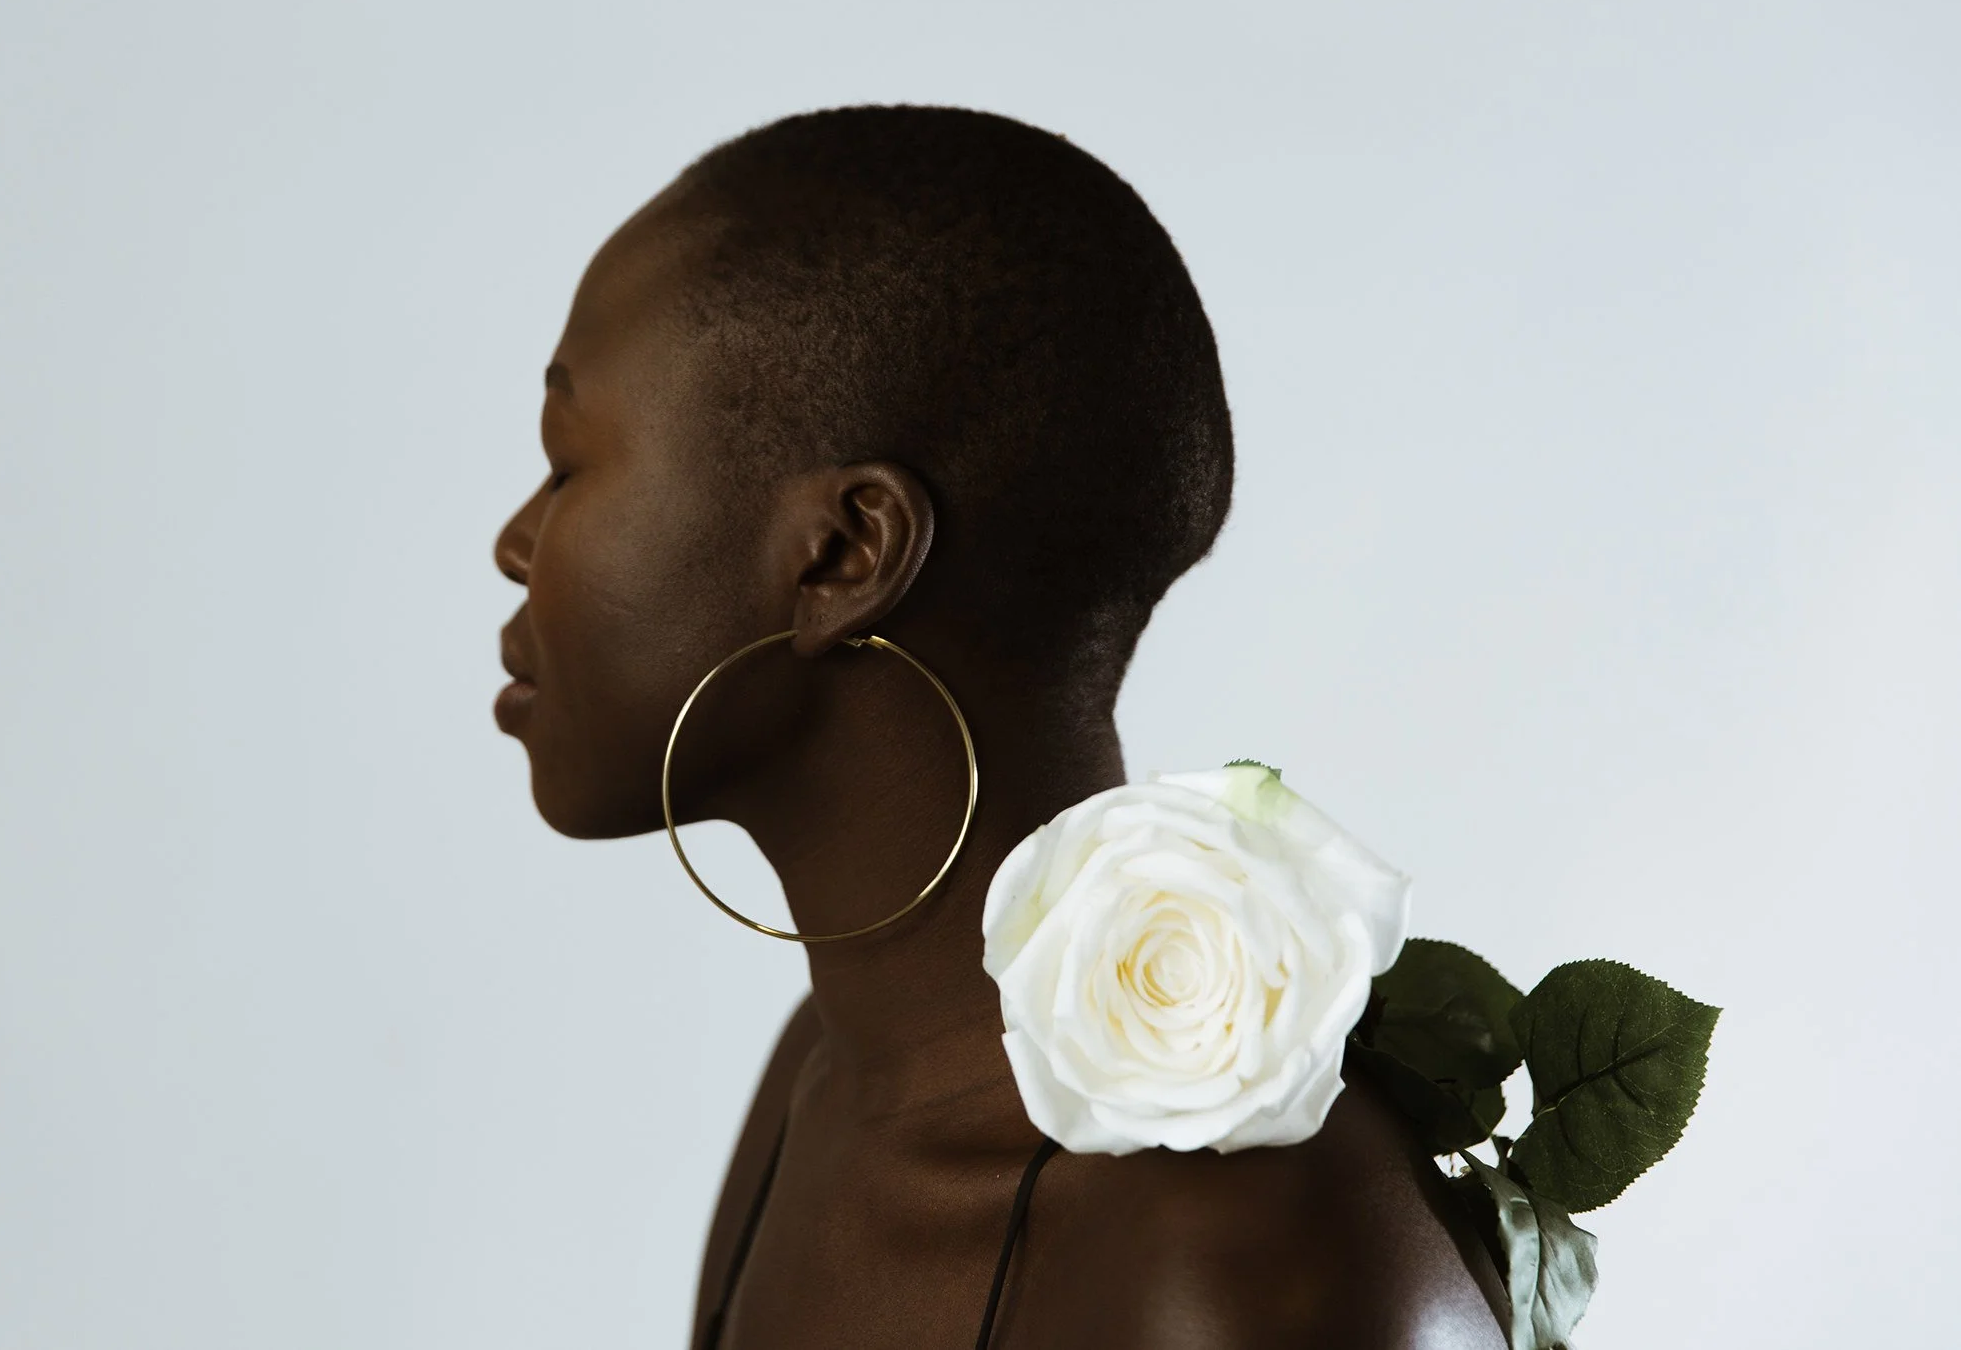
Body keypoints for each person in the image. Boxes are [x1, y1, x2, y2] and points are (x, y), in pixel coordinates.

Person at [491, 106, 1510, 1348]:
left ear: (843, 553)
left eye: (566, 462)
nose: (515, 543)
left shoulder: (1246, 1261)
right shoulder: (823, 1077)